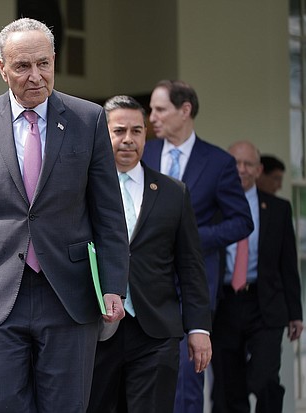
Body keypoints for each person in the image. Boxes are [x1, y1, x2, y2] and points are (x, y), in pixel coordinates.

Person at [0, 18, 130, 412]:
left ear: (54, 61)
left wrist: (113, 285)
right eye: (22, 66)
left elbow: (109, 212)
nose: (35, 76)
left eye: (43, 63)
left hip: (69, 293)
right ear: (2, 69)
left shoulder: (88, 119)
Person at [87, 95, 212, 413]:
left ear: (146, 134)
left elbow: (190, 266)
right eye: (119, 131)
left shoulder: (173, 192)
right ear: (103, 135)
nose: (128, 139)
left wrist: (198, 328)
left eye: (137, 131)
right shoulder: (81, 189)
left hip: (155, 331)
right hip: (95, 330)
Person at [141, 79, 254, 413]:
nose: (152, 118)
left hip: (191, 290)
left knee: (186, 384)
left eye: (160, 110)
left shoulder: (218, 162)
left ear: (185, 110)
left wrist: (193, 238)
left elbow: (241, 221)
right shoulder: (143, 154)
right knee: (142, 381)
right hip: (144, 287)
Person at [211, 141, 303, 413]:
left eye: (248, 164)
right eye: (235, 163)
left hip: (265, 304)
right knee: (228, 384)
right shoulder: (210, 207)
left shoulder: (278, 209)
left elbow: (287, 264)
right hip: (224, 303)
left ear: (259, 169)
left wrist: (295, 313)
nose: (241, 169)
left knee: (265, 378)